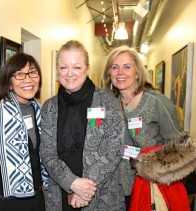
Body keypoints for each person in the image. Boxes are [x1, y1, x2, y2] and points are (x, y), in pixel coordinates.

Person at [40, 40, 126, 211]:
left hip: (101, 196)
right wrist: (71, 183)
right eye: (64, 67)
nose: (69, 73)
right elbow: (47, 153)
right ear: (57, 70)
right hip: (61, 195)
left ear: (87, 68)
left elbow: (114, 148)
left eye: (77, 67)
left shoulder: (107, 100)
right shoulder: (49, 107)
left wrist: (82, 190)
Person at [102, 45, 184, 209]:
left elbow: (178, 147)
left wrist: (150, 165)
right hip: (115, 190)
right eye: (115, 67)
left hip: (149, 188)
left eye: (127, 67)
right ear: (109, 74)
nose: (120, 73)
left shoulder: (157, 102)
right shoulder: (107, 103)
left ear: (137, 72)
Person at [0, 52, 48, 211]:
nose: (28, 79)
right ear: (9, 83)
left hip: (36, 198)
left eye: (32, 72)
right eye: (19, 74)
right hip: (4, 200)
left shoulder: (41, 113)